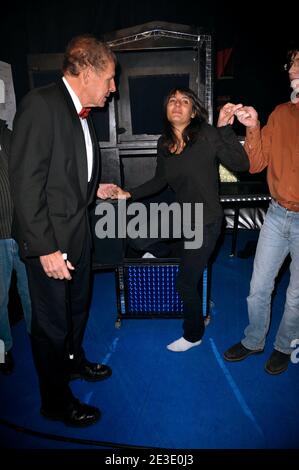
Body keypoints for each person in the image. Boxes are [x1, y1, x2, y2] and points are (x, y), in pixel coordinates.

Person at [9, 35, 117, 426]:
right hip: (52, 243)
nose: (113, 87)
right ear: (86, 73)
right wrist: (45, 249)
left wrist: (94, 190)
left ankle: (73, 364)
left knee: (76, 308)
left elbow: (65, 174)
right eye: (109, 79)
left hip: (78, 234)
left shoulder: (79, 111)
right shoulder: (41, 104)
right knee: (52, 325)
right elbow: (25, 183)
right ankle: (54, 401)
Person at [98, 87, 249, 352]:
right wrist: (128, 193)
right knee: (135, 234)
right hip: (182, 216)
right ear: (166, 110)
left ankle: (194, 334)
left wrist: (225, 129)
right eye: (172, 101)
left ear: (193, 110)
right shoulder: (164, 143)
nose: (177, 105)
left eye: (185, 101)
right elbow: (160, 181)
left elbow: (241, 165)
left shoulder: (207, 134)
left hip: (206, 222)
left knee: (185, 282)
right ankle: (165, 253)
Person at [223, 45, 299, 375]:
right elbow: (256, 164)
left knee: (297, 297)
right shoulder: (280, 113)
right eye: (292, 63)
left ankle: (284, 345)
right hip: (277, 214)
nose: (294, 68)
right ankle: (254, 340)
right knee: (258, 288)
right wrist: (252, 126)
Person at [0, 118, 31, 375]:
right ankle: (3, 350)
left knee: (30, 293)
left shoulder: (11, 136)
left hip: (23, 232)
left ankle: (39, 343)